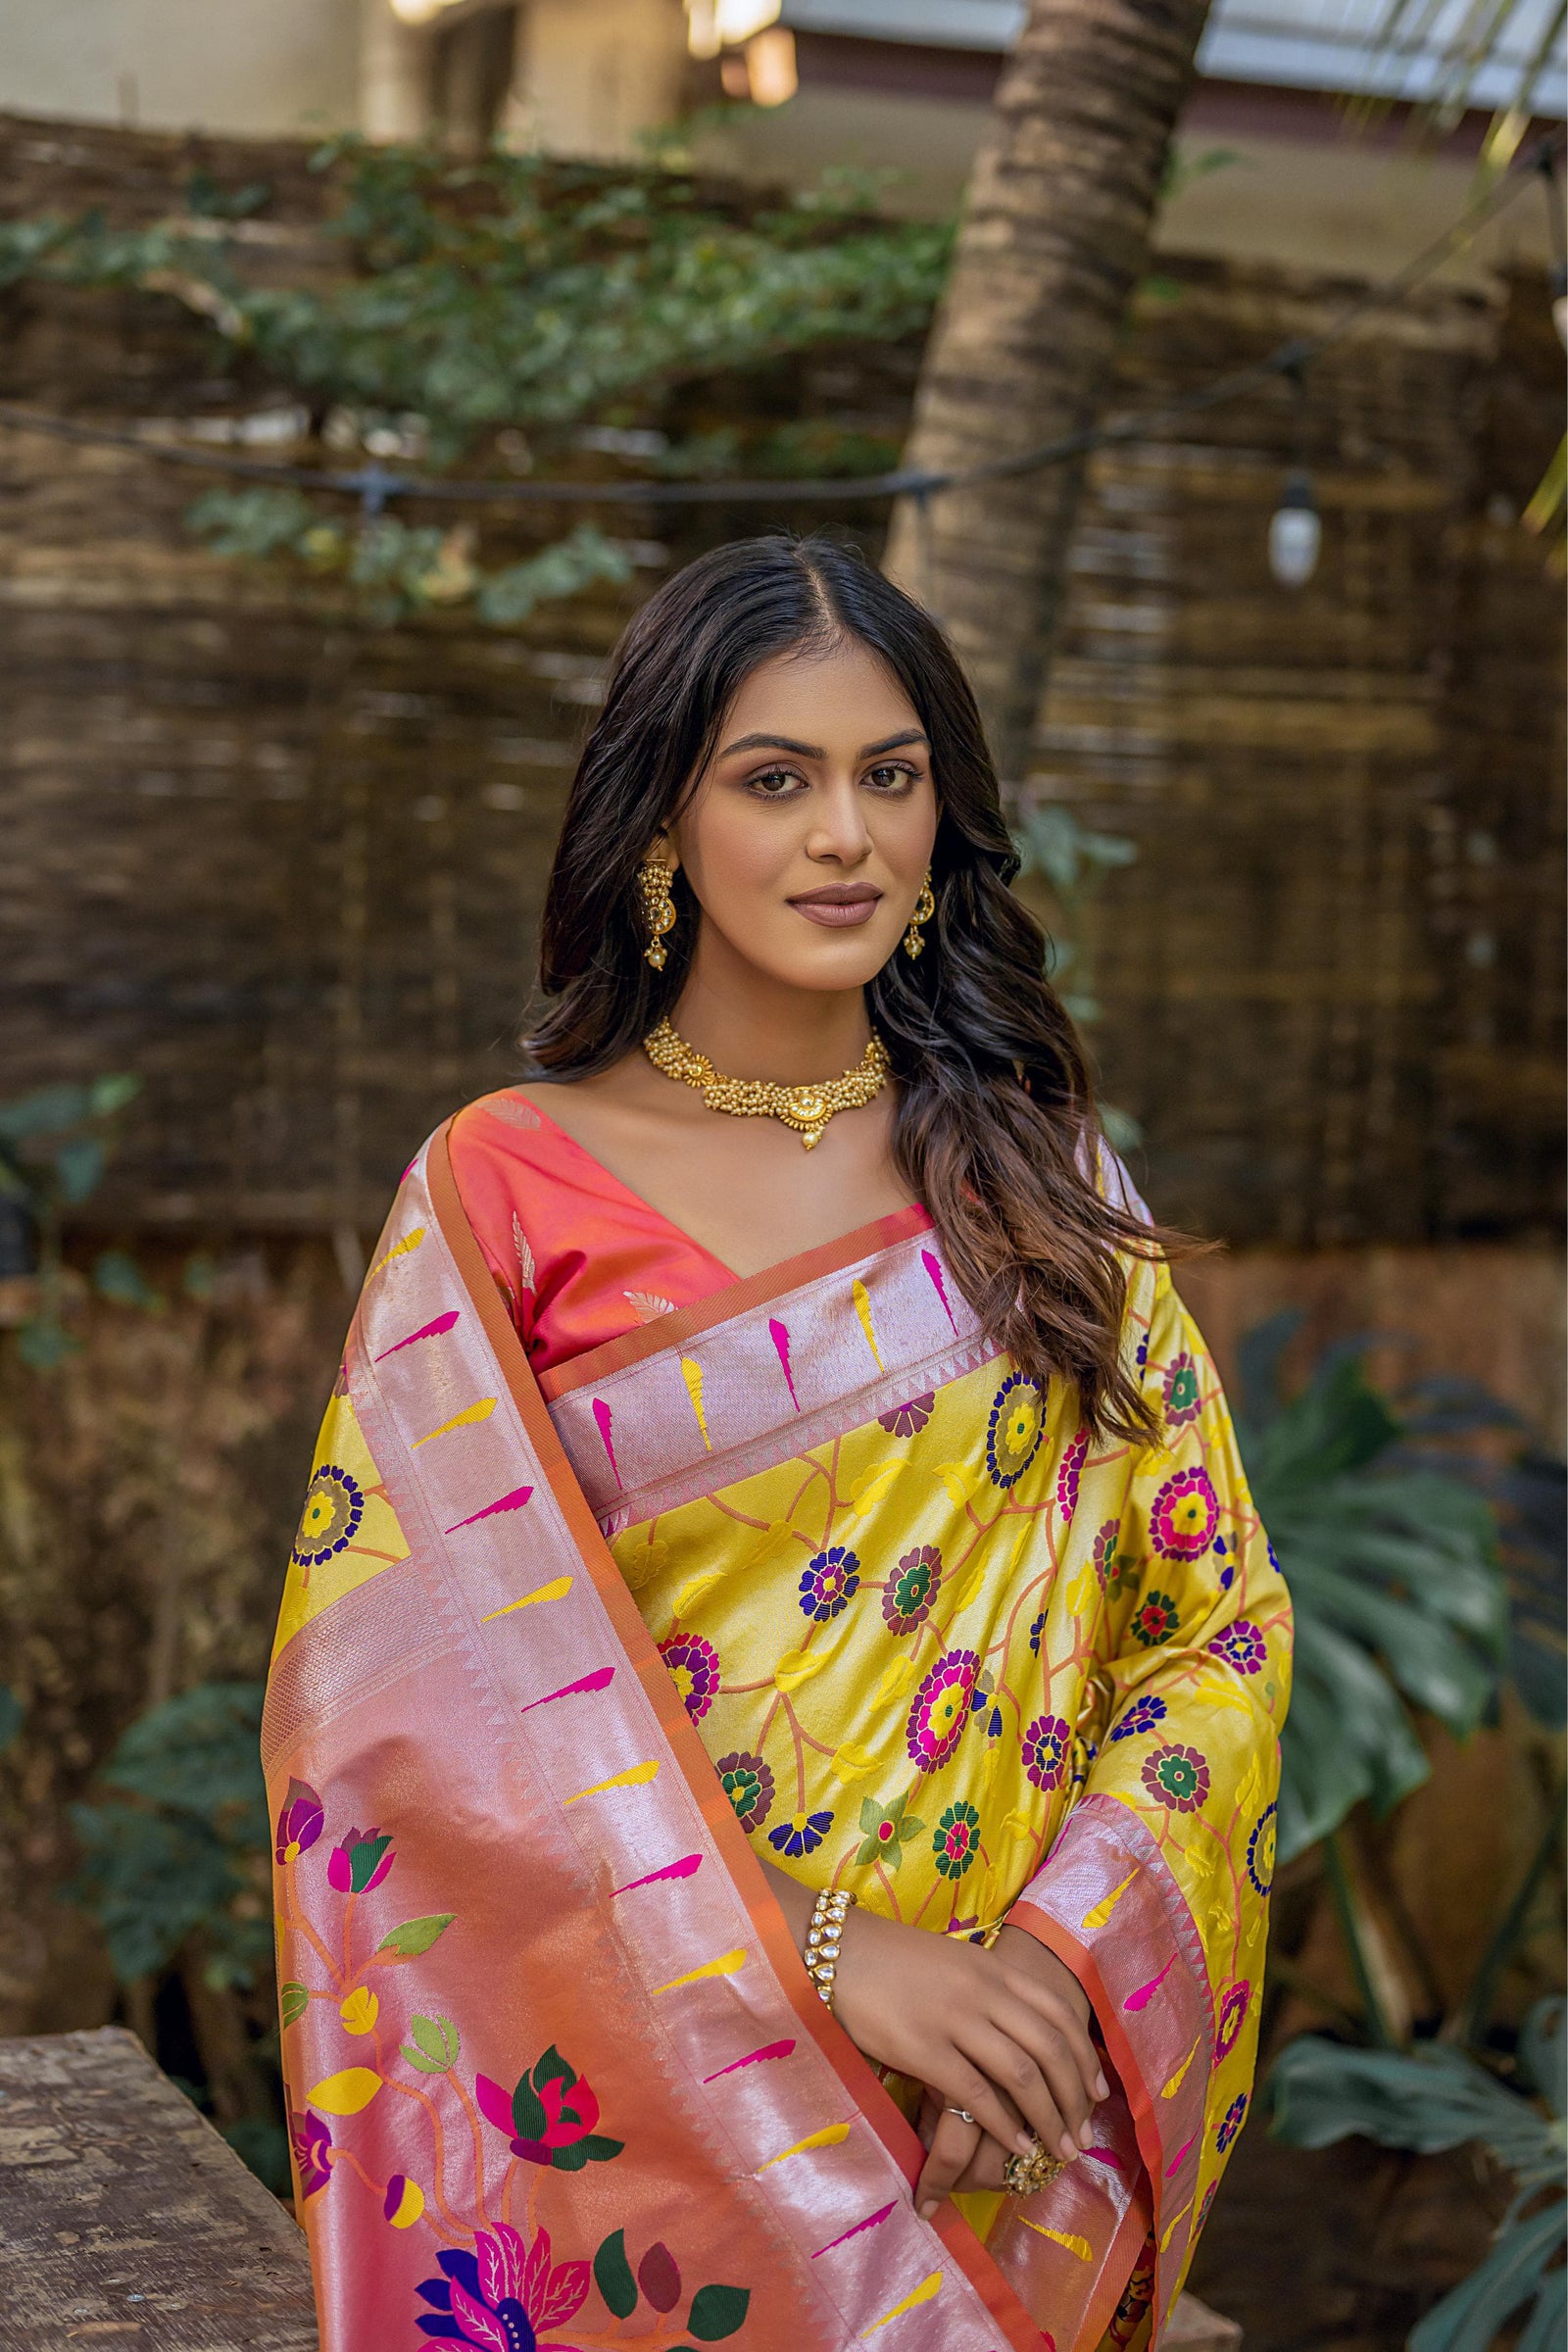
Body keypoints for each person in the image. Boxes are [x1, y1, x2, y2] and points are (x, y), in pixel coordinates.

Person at [266, 535, 1291, 2352]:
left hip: (995, 2117)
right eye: (775, 780)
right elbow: (400, 1729)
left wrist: (1055, 1963)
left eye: (890, 777)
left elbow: (1213, 1626)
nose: (846, 837)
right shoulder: (503, 1186)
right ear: (663, 821)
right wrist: (821, 1952)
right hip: (655, 2109)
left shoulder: (1042, 1186)